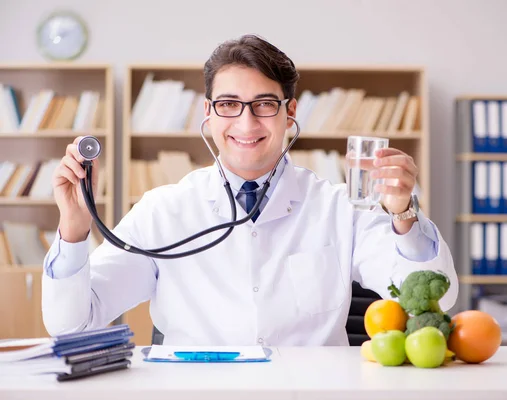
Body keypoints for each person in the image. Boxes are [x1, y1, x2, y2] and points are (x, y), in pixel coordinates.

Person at [42, 34, 458, 346]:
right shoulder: (162, 211)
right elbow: (74, 324)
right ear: (207, 113)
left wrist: (403, 214)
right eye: (228, 104)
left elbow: (435, 296)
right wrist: (74, 232)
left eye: (264, 103)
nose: (246, 123)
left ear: (289, 112)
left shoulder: (340, 205)